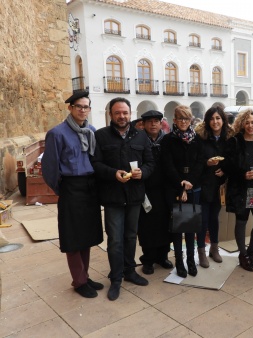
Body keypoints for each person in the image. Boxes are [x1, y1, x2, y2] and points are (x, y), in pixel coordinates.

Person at [91, 97, 155, 301]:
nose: (122, 116)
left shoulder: (141, 136)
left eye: (125, 112)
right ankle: (116, 278)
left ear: (130, 114)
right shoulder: (100, 136)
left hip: (135, 196)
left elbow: (150, 163)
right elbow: (95, 164)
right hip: (113, 198)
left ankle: (130, 271)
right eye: (118, 112)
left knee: (130, 237)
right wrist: (113, 173)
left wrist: (142, 173)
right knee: (115, 240)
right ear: (111, 114)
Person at [42, 91, 104, 298]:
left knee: (87, 234)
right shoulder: (57, 133)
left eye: (86, 107)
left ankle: (84, 275)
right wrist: (64, 190)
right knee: (73, 236)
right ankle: (78, 281)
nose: (83, 110)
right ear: (70, 108)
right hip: (71, 187)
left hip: (90, 187)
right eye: (79, 106)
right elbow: (50, 169)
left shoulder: (92, 131)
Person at [223, 109, 253, 271]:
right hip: (240, 189)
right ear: (242, 123)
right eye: (247, 122)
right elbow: (226, 166)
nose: (250, 125)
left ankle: (251, 252)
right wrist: (242, 174)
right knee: (241, 222)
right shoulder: (234, 141)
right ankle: (242, 255)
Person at [161, 105, 203, 278]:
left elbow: (200, 163)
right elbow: (167, 165)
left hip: (194, 188)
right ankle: (179, 261)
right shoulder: (168, 140)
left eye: (186, 118)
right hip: (175, 187)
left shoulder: (197, 139)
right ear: (175, 120)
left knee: (191, 227)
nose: (183, 122)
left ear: (191, 120)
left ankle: (191, 261)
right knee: (178, 227)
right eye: (180, 118)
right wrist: (180, 184)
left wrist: (189, 182)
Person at [195, 106, 233, 268]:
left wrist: (224, 170)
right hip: (203, 185)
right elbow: (195, 161)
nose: (215, 122)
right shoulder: (201, 139)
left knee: (214, 219)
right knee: (202, 220)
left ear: (223, 121)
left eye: (218, 118)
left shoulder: (228, 139)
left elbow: (232, 161)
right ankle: (201, 251)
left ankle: (214, 248)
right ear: (207, 121)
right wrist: (207, 163)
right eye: (212, 118)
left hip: (219, 186)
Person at [137, 110, 173, 275]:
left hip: (164, 190)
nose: (153, 124)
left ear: (161, 123)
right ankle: (148, 259)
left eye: (156, 121)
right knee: (147, 227)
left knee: (165, 225)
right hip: (146, 190)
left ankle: (162, 256)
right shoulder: (138, 141)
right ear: (143, 124)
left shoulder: (167, 140)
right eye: (149, 121)